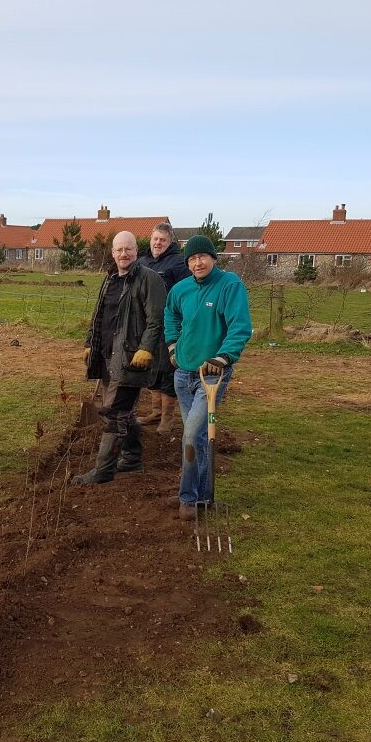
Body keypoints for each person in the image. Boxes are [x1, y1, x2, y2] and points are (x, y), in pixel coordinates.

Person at [164, 234, 252, 521]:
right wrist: (173, 345)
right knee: (198, 437)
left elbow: (240, 326)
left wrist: (224, 356)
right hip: (183, 374)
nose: (197, 262)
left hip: (212, 375)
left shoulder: (229, 285)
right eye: (191, 259)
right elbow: (170, 315)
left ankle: (186, 498)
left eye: (202, 256)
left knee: (190, 434)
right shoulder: (181, 289)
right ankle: (203, 495)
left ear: (214, 258)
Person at [74, 231, 169, 484]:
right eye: (118, 250)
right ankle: (133, 458)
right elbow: (99, 315)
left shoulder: (149, 279)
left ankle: (104, 470)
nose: (123, 254)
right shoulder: (111, 279)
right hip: (107, 356)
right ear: (113, 253)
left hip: (132, 358)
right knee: (121, 411)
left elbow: (156, 319)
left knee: (115, 413)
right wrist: (89, 344)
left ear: (136, 252)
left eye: (128, 249)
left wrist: (146, 348)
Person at [138, 222, 191, 433]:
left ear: (170, 243)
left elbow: (187, 293)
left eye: (162, 240)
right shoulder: (142, 262)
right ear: (150, 239)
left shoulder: (178, 263)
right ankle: (156, 412)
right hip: (146, 324)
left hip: (169, 325)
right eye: (155, 239)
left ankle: (168, 417)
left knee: (168, 368)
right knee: (150, 368)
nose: (158, 243)